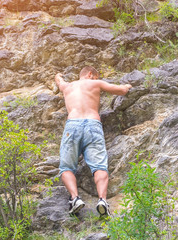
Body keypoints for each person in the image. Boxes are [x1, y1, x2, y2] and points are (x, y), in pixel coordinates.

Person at [55, 66, 132, 216]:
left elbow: (59, 82)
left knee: (66, 167)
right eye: (95, 77)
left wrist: (58, 76)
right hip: (92, 125)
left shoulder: (67, 87)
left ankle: (75, 198)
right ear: (90, 74)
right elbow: (121, 90)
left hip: (73, 125)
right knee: (99, 166)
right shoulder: (95, 84)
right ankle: (102, 200)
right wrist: (127, 86)